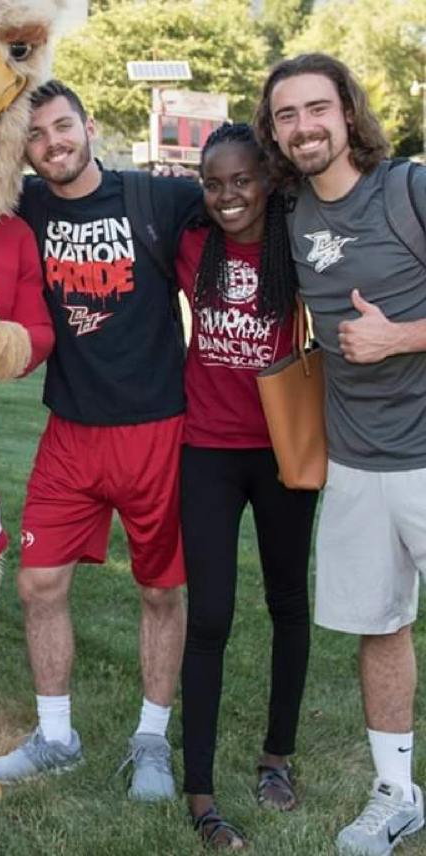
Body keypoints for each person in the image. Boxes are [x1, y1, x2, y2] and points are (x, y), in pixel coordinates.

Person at [0, 80, 202, 799]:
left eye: (62, 127)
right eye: (37, 136)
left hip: (156, 429)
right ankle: (56, 737)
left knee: (161, 591)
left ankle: (150, 741)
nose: (54, 144)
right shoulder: (26, 204)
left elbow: (250, 194)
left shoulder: (156, 199)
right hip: (71, 431)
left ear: (89, 125)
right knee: (38, 583)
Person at [256, 53, 426, 856]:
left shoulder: (408, 191)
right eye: (286, 116)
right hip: (356, 465)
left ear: (348, 112)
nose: (303, 127)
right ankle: (396, 793)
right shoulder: (289, 213)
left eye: (316, 109)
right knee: (380, 626)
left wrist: (402, 335)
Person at [175, 122, 316, 848]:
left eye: (242, 180)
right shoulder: (193, 240)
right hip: (207, 450)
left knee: (288, 603)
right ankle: (200, 792)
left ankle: (275, 758)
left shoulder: (297, 241)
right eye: (214, 182)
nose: (228, 195)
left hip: (283, 452)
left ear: (268, 180)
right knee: (211, 616)